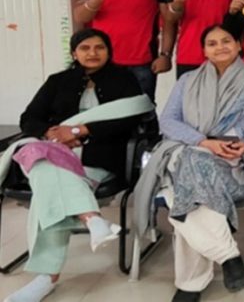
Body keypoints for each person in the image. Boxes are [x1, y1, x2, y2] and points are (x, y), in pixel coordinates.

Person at [133, 21, 244, 302]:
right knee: (193, 163)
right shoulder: (187, 81)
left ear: (239, 45)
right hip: (189, 150)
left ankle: (191, 284)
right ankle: (227, 256)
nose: (220, 47)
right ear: (203, 50)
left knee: (185, 196)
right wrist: (205, 142)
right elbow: (168, 121)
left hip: (235, 163)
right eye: (212, 43)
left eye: (226, 41)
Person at [0, 29, 153, 302]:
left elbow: (132, 119)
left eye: (99, 48)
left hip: (98, 156)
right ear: (74, 53)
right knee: (41, 157)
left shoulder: (124, 79)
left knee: (48, 187)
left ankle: (46, 279)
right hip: (54, 150)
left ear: (108, 51)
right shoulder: (58, 81)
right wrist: (51, 133)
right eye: (85, 48)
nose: (92, 53)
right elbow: (29, 118)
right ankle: (91, 218)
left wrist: (82, 130)